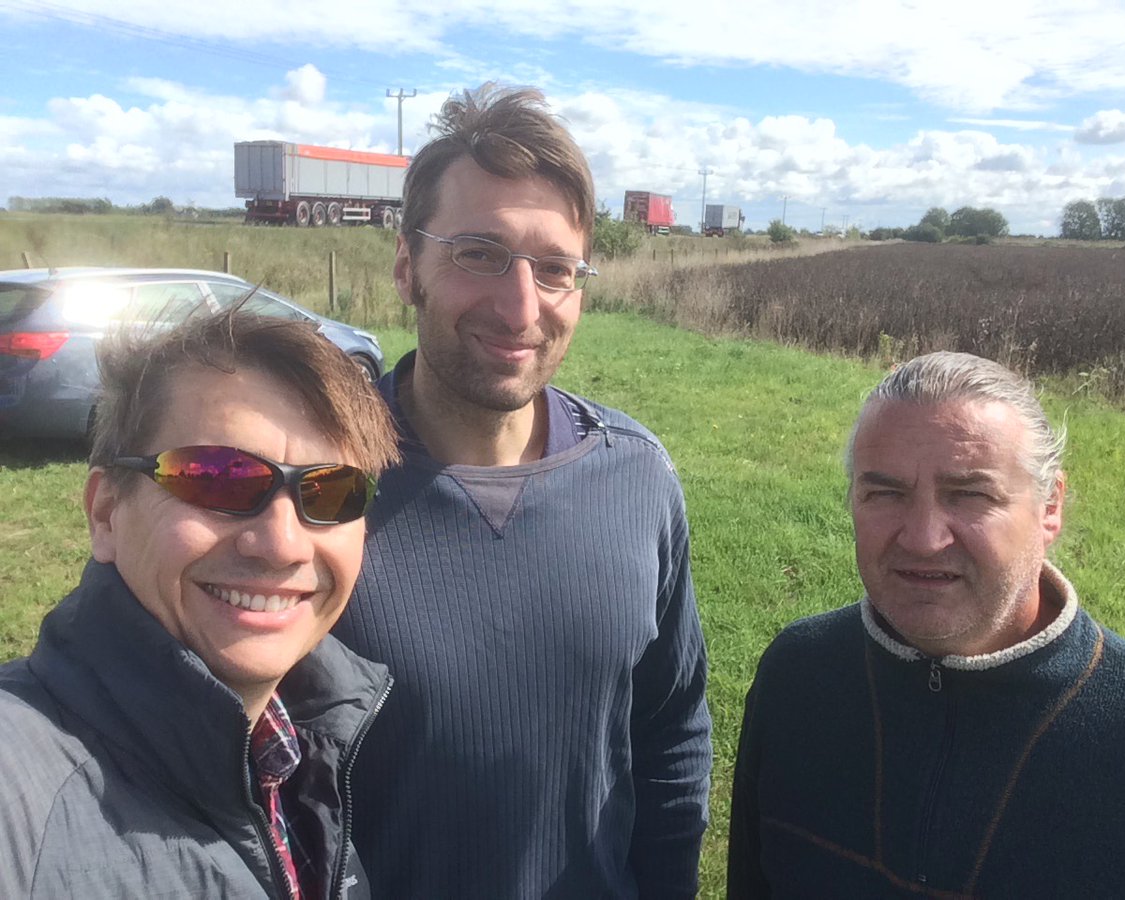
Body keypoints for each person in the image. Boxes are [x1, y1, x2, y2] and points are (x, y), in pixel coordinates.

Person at [332, 83, 712, 899]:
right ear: (408, 267)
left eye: (555, 269)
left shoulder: (638, 477)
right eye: (479, 254)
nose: (520, 306)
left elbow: (672, 736)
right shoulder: (320, 487)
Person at [727, 351, 1125, 898]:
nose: (924, 538)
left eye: (970, 494)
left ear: (1051, 507)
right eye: (886, 493)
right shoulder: (798, 677)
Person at [0, 308, 400, 898]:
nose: (281, 544)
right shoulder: (17, 792)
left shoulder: (303, 751)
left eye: (332, 492)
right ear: (106, 512)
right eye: (219, 478)